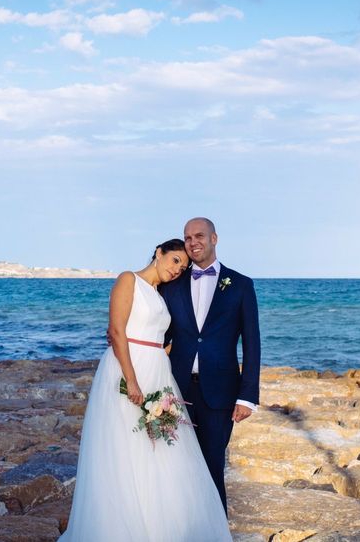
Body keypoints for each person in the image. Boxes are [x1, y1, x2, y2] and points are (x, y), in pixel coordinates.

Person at [59, 239, 232, 542]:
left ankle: (161, 526)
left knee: (162, 448)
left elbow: (164, 335)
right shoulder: (129, 280)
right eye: (175, 260)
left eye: (183, 265)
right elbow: (116, 330)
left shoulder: (160, 293)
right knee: (124, 446)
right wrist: (132, 379)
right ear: (158, 253)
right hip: (128, 370)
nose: (178, 269)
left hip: (158, 372)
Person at [158, 217, 261, 513]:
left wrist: (247, 396)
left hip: (221, 395)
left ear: (214, 238)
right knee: (176, 466)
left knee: (212, 466)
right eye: (188, 238)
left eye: (199, 236)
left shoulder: (241, 285)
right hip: (175, 391)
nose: (193, 242)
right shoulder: (173, 285)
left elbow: (252, 343)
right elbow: (160, 333)